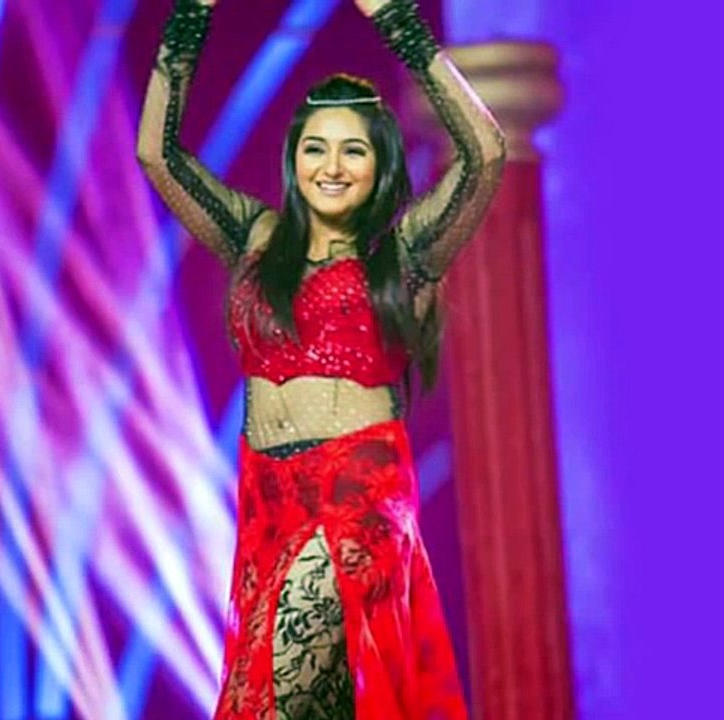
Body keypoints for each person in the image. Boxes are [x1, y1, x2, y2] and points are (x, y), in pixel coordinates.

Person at [137, 0, 505, 717]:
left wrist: (397, 22)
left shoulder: (404, 256)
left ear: (381, 165)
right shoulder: (254, 238)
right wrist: (192, 15)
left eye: (353, 151)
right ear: (293, 158)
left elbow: (485, 155)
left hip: (353, 495)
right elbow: (158, 155)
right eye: (315, 149)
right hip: (267, 500)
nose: (331, 167)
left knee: (288, 698)